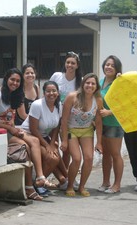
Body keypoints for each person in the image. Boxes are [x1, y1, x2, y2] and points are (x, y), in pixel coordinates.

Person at [0, 68, 56, 201]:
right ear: (6, 79)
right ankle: (29, 187)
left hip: (9, 130)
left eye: (18, 81)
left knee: (34, 141)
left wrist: (13, 127)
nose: (15, 83)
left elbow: (10, 116)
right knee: (26, 147)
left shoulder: (15, 94)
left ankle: (40, 177)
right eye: (12, 79)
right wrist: (10, 129)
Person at [60, 73, 103, 197]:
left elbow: (99, 122)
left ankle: (82, 186)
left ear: (96, 86)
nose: (90, 85)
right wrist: (64, 140)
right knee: (77, 158)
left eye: (93, 83)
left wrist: (99, 142)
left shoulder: (98, 100)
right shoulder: (72, 97)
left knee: (89, 158)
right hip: (71, 130)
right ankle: (70, 185)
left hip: (87, 130)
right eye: (87, 83)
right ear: (83, 84)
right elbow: (64, 120)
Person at [21, 80, 66, 189]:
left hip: (43, 136)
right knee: (53, 158)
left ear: (58, 93)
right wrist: (47, 145)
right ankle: (38, 183)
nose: (51, 93)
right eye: (48, 91)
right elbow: (33, 129)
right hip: (29, 135)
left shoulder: (58, 105)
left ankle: (63, 178)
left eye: (54, 91)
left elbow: (56, 126)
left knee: (54, 152)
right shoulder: (37, 105)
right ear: (44, 93)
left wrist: (52, 142)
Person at [50, 51, 83, 187]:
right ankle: (62, 178)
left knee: (67, 149)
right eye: (68, 62)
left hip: (70, 121)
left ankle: (68, 177)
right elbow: (48, 92)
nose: (70, 65)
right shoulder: (57, 76)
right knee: (54, 146)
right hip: (54, 117)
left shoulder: (80, 81)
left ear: (77, 65)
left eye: (73, 63)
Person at [98, 55, 124, 194]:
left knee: (115, 154)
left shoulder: (119, 83)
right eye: (107, 64)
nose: (109, 67)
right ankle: (105, 182)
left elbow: (125, 105)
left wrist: (110, 112)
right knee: (106, 154)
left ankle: (117, 184)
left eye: (112, 65)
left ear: (117, 69)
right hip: (101, 125)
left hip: (114, 124)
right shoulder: (100, 82)